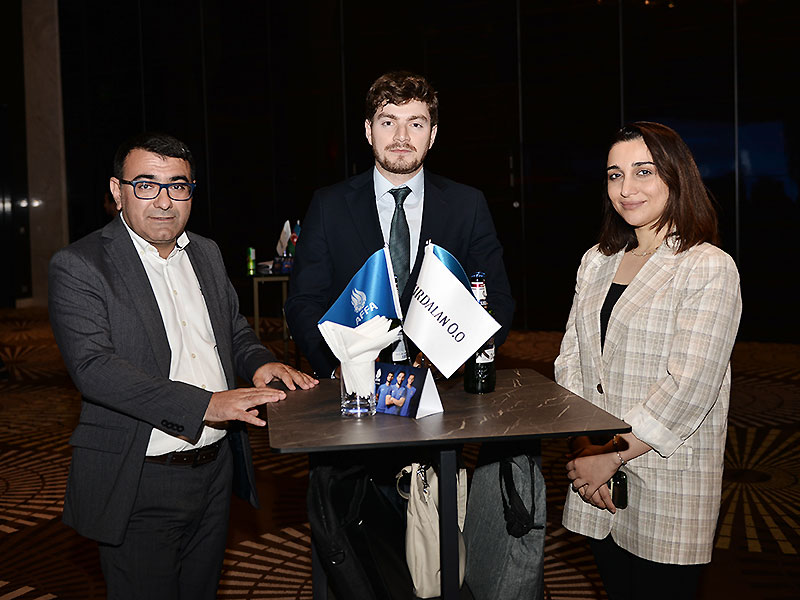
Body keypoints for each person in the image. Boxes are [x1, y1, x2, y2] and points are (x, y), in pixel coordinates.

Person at [48, 132, 318, 600]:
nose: (164, 201)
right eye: (146, 185)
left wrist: (259, 363)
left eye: (177, 186)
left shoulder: (206, 253)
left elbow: (232, 330)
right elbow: (95, 369)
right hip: (139, 478)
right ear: (117, 191)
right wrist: (206, 405)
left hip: (215, 472)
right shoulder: (81, 265)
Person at [554, 122, 742, 599]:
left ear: (676, 177)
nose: (626, 188)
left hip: (666, 480)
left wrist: (610, 454)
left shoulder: (707, 265)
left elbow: (689, 387)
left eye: (643, 172)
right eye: (615, 175)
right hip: (594, 478)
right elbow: (571, 360)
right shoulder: (596, 260)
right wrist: (585, 446)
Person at [284, 70, 514, 378]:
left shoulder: (467, 205)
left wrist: (458, 358)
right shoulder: (329, 206)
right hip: (354, 389)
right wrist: (339, 368)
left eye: (416, 124)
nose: (401, 137)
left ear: (432, 135)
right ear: (369, 131)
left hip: (445, 388)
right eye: (388, 122)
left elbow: (496, 298)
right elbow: (304, 302)